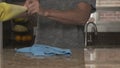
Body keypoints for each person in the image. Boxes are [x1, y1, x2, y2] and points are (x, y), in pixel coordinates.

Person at [24, 0, 96, 48]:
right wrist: (28, 7)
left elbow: (82, 17)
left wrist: (45, 12)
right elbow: (24, 9)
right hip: (41, 51)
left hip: (72, 53)